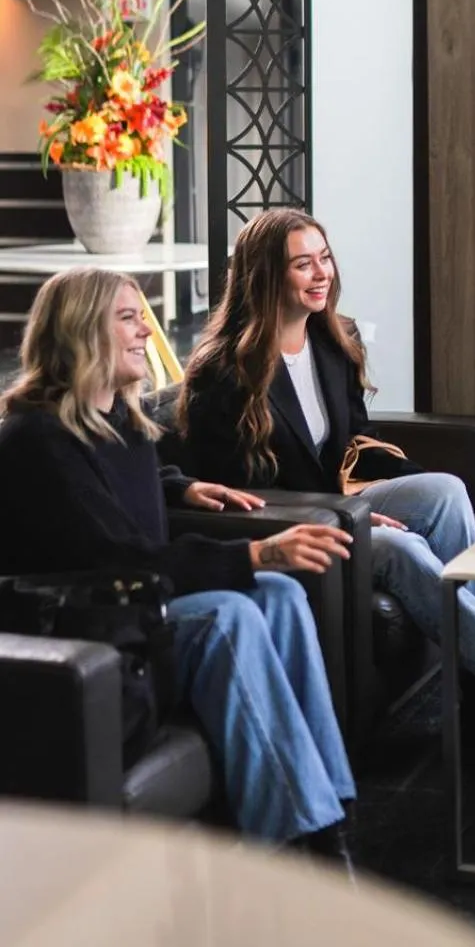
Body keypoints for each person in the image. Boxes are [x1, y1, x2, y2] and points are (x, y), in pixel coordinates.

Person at [177, 209, 475, 756]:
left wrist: (409, 490)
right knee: (399, 546)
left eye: (324, 258)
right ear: (265, 277)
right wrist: (350, 515)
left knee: (446, 491)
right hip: (293, 524)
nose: (321, 273)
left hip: (338, 503)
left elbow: (358, 443)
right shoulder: (223, 372)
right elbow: (241, 492)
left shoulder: (330, 342)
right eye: (303, 264)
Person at [0, 268, 358, 865]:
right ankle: (301, 840)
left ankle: (334, 808)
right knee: (229, 614)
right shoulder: (35, 441)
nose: (147, 329)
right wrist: (256, 550)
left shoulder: (125, 426)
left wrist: (179, 487)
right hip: (91, 632)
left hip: (145, 607)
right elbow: (120, 557)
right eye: (127, 317)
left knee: (283, 596)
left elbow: (125, 508)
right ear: (80, 331)